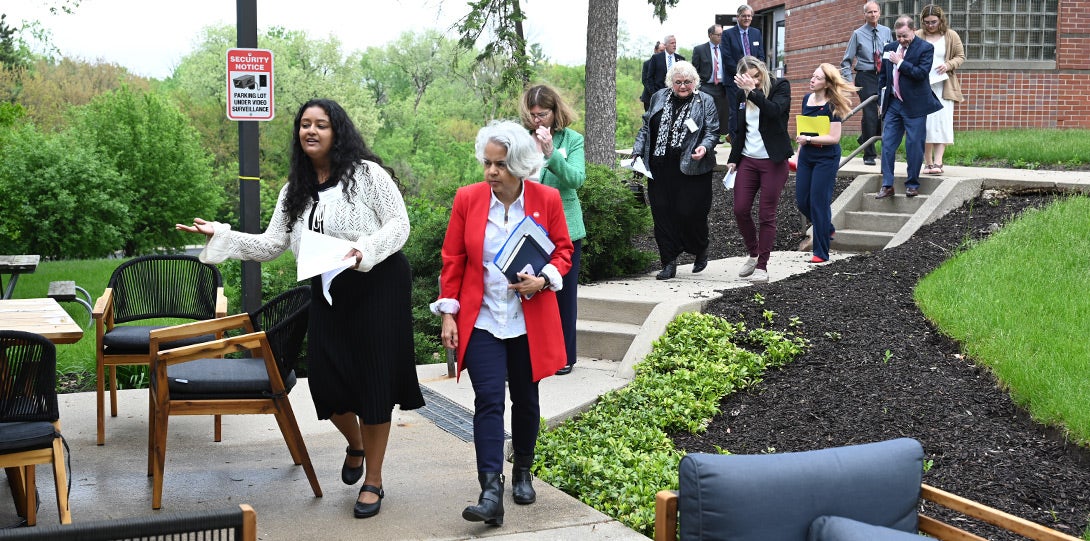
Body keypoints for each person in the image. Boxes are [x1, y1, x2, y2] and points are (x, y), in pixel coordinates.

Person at [176, 98, 424, 519]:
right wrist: (222, 234)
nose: (310, 131)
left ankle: (374, 481)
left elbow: (399, 225)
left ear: (337, 131)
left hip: (377, 286)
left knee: (375, 384)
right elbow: (272, 244)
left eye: (320, 125)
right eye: (304, 125)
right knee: (326, 384)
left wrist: (362, 250)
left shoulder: (366, 176)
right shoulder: (295, 189)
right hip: (327, 292)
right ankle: (357, 444)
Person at [431, 120, 573, 527]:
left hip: (529, 321)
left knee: (526, 400)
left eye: (501, 165)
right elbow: (453, 261)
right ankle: (490, 490)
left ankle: (523, 470)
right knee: (488, 401)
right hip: (484, 320)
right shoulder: (468, 199)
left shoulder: (545, 198)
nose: (491, 172)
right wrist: (449, 313)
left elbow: (563, 251)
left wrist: (543, 278)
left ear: (521, 165)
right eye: (488, 164)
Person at [632, 60, 719, 281]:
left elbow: (712, 130)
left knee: (690, 213)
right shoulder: (658, 97)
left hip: (691, 166)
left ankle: (700, 247)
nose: (682, 86)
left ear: (695, 82)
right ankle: (668, 262)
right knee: (661, 215)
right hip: (660, 166)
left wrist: (704, 146)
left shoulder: (705, 100)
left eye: (687, 82)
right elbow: (646, 127)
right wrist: (637, 151)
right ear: (671, 82)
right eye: (678, 82)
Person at [520, 84, 586, 376]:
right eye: (533, 115)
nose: (538, 120)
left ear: (555, 111)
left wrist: (551, 154)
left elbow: (576, 179)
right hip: (526, 228)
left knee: (563, 294)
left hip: (564, 228)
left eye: (543, 114)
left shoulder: (572, 140)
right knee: (527, 292)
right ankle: (531, 353)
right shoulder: (520, 140)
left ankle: (565, 357)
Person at [726, 56, 792, 284]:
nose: (753, 81)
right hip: (748, 160)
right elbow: (739, 129)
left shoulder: (779, 86)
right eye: (748, 78)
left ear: (763, 71)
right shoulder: (739, 94)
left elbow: (774, 112)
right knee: (740, 209)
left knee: (767, 215)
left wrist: (752, 91)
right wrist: (734, 158)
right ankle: (753, 253)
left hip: (773, 161)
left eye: (756, 76)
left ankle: (762, 265)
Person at [795, 64, 857, 264]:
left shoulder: (834, 105)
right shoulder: (807, 99)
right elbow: (805, 128)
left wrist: (810, 140)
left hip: (826, 158)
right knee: (803, 201)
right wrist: (798, 152)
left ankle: (821, 252)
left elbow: (834, 138)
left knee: (819, 203)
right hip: (806, 156)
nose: (812, 80)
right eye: (812, 76)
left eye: (817, 78)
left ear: (828, 83)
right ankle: (827, 228)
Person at [876, 16, 944, 200]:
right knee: (887, 144)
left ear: (913, 31)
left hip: (915, 105)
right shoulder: (889, 48)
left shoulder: (925, 48)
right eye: (898, 36)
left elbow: (921, 74)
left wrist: (900, 62)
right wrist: (880, 103)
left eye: (904, 36)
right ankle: (887, 184)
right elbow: (883, 77)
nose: (901, 40)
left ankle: (912, 184)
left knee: (913, 145)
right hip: (894, 104)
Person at [840, 1, 892, 166]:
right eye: (869, 12)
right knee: (870, 114)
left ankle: (865, 137)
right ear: (865, 15)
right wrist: (849, 83)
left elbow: (891, 53)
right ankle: (869, 154)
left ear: (880, 12)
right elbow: (846, 61)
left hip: (883, 75)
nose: (873, 15)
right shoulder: (858, 34)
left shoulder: (886, 31)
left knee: (887, 112)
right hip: (865, 76)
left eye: (875, 11)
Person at [917, 4, 965, 175]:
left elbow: (960, 56)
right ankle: (927, 162)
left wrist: (948, 65)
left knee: (942, 122)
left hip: (944, 85)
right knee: (926, 124)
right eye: (927, 22)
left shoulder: (950, 35)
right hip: (923, 87)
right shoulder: (918, 35)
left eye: (934, 22)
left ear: (940, 20)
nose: (930, 25)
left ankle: (938, 162)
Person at [722, 5, 766, 137]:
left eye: (749, 16)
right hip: (735, 80)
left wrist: (756, 75)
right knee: (736, 111)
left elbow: (761, 56)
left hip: (755, 81)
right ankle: (735, 140)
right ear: (738, 17)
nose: (747, 18)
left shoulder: (756, 33)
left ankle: (752, 136)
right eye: (744, 16)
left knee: (754, 107)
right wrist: (743, 75)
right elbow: (726, 57)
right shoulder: (728, 34)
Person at [691, 24, 731, 140]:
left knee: (721, 114)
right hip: (706, 86)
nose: (721, 37)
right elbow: (694, 70)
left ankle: (717, 137)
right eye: (718, 35)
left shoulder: (726, 49)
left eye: (722, 34)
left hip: (722, 87)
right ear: (710, 35)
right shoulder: (700, 50)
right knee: (708, 114)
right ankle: (706, 139)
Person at [640, 41, 666, 112]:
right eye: (661, 51)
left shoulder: (668, 64)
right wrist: (655, 94)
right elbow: (645, 81)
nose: (663, 53)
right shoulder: (647, 63)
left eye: (665, 51)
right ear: (655, 50)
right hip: (649, 97)